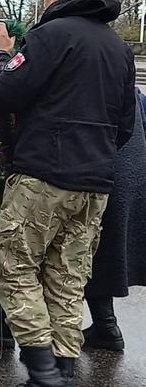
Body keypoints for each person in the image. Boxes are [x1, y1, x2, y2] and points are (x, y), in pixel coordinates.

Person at [0, 0, 136, 387]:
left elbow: (8, 94)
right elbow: (126, 123)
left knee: (14, 265)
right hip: (95, 181)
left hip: (43, 176)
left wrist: (0, 56)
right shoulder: (117, 46)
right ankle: (62, 365)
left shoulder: (49, 36)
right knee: (67, 276)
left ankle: (43, 369)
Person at [81, 89, 146, 352]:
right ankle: (106, 325)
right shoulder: (119, 69)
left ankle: (4, 324)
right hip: (128, 170)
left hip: (105, 170)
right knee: (102, 249)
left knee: (86, 247)